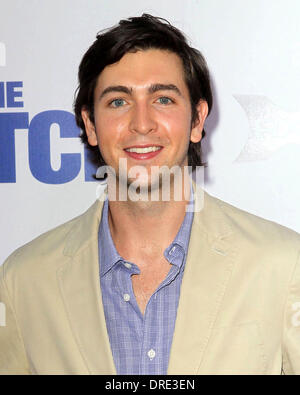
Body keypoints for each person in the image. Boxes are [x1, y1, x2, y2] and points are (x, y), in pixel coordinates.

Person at [1, 14, 300, 375]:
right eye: (118, 102)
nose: (142, 123)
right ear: (90, 125)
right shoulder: (25, 280)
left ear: (197, 120)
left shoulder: (282, 265)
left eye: (163, 99)